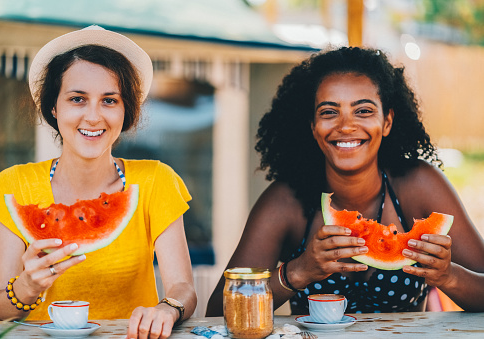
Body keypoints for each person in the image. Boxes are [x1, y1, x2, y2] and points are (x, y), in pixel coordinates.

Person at [206, 47, 484, 316]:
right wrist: (296, 272)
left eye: (363, 111)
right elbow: (217, 312)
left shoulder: (419, 185)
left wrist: (449, 277)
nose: (346, 126)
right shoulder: (285, 202)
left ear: (387, 122)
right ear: (313, 127)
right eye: (329, 112)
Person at [0, 26, 197, 338]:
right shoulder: (14, 185)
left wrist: (167, 308)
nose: (94, 117)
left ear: (126, 111)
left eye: (109, 100)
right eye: (77, 98)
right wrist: (28, 285)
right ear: (54, 107)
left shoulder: (155, 181)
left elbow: (184, 287)